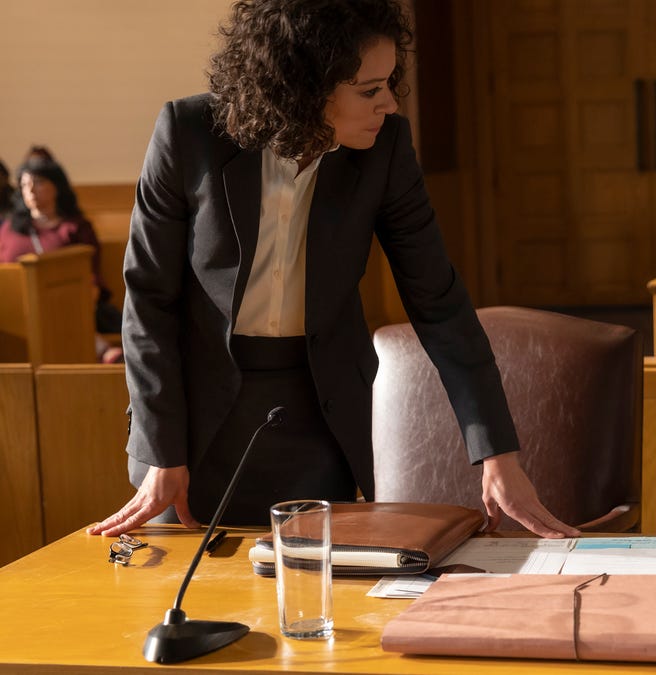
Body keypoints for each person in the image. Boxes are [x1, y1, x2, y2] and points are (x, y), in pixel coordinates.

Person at [88, 0, 577, 538]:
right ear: (303, 87)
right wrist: (163, 449)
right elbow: (148, 302)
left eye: (390, 83)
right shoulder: (188, 133)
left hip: (315, 418)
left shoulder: (385, 149)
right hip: (186, 430)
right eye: (369, 90)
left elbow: (439, 301)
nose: (388, 103)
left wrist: (497, 454)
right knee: (183, 607)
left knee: (311, 607)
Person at [0, 154, 124, 362]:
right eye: (24, 184)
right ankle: (102, 350)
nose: (30, 190)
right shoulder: (8, 230)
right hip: (18, 312)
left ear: (56, 186)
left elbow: (91, 280)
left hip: (70, 309)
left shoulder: (75, 228)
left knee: (53, 310)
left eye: (38, 182)